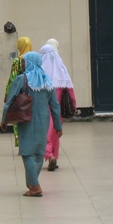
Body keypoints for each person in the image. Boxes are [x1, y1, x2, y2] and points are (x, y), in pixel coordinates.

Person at [1, 51, 62, 197]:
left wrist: (4, 119)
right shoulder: (47, 81)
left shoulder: (21, 79)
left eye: (24, 61)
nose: (22, 64)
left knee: (27, 152)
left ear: (29, 63)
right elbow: (55, 105)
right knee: (39, 153)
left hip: (26, 120)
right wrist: (58, 125)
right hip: (43, 121)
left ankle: (34, 186)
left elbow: (9, 101)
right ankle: (33, 182)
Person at [40, 41, 76, 171]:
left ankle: (50, 155)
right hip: (60, 108)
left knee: (46, 131)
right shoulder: (62, 69)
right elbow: (70, 90)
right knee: (56, 131)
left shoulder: (40, 73)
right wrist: (74, 106)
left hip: (44, 109)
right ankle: (53, 155)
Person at [5, 35, 33, 147]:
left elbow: (12, 79)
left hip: (20, 93)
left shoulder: (17, 61)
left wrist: (8, 94)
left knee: (19, 116)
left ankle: (20, 141)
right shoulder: (35, 58)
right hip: (33, 92)